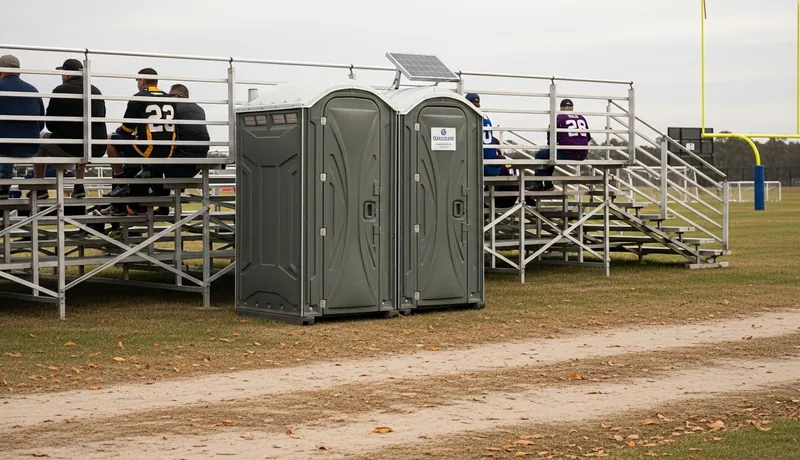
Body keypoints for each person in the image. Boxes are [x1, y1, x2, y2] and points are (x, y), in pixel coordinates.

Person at [35, 58, 107, 199]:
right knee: (85, 141)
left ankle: (40, 187)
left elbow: (50, 125)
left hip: (69, 147)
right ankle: (79, 185)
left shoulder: (60, 90)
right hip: (96, 148)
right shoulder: (95, 91)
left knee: (39, 140)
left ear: (67, 74)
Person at [104, 68, 176, 203]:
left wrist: (118, 132)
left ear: (142, 81)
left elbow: (126, 129)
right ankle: (145, 168)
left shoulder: (139, 97)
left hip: (148, 150)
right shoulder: (169, 98)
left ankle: (121, 183)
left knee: (109, 139)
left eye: (138, 81)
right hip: (168, 150)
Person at [148, 83, 210, 214]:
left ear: (175, 96)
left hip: (180, 164)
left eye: (169, 96)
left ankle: (155, 201)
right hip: (198, 164)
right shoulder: (199, 109)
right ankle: (161, 202)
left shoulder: (174, 109)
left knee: (151, 161)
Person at [0, 55, 44, 199]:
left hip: (5, 147)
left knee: (6, 142)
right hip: (30, 147)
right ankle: (3, 188)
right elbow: (41, 124)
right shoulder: (33, 90)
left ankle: (3, 187)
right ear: (19, 71)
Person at [531, 98, 591, 191]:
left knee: (542, 154)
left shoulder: (559, 118)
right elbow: (588, 137)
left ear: (561, 108)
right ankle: (547, 184)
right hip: (583, 154)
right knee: (551, 154)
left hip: (568, 152)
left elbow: (551, 140)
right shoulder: (581, 118)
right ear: (572, 108)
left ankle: (540, 183)